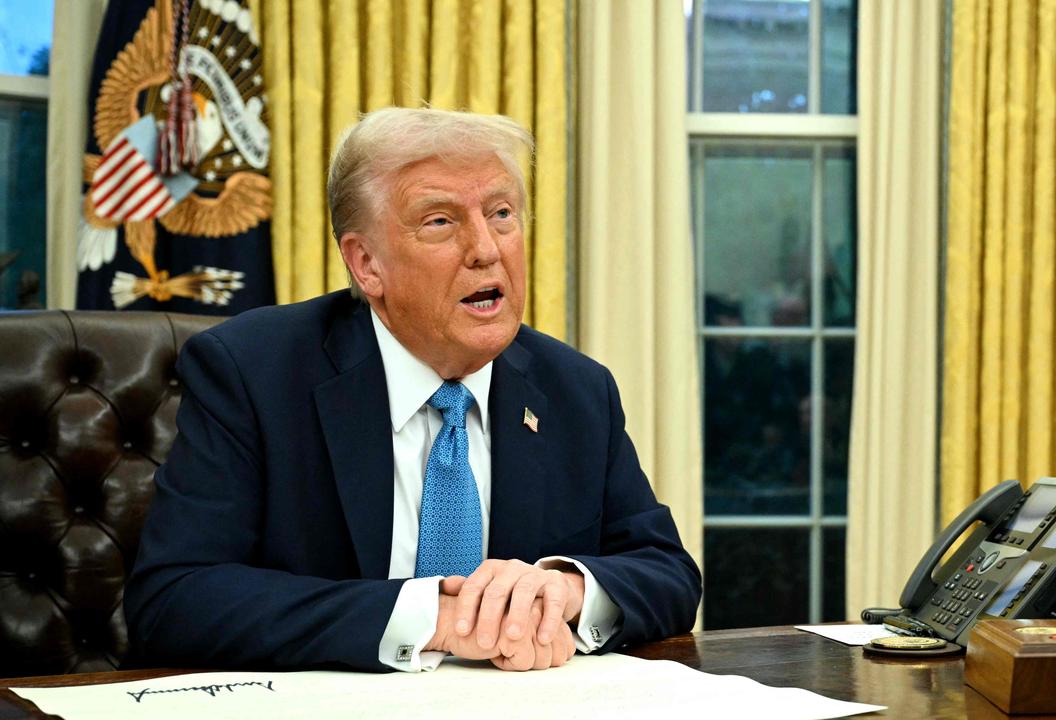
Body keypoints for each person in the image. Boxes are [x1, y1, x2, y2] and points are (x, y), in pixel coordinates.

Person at [124, 107, 702, 673]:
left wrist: (565, 590)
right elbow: (174, 599)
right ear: (366, 263)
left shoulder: (576, 390)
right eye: (441, 222)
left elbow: (667, 574)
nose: (487, 248)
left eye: (502, 213)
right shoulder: (253, 372)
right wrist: (432, 618)